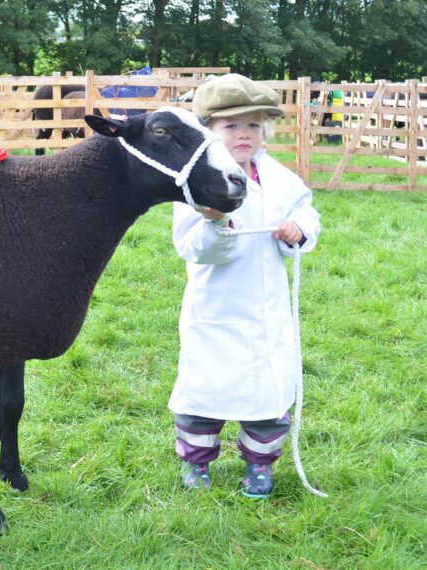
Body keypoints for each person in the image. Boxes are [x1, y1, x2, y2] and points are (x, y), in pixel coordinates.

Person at [169, 73, 321, 498]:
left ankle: (259, 465)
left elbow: (308, 211)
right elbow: (193, 246)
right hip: (215, 311)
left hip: (265, 310)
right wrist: (216, 225)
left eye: (253, 125)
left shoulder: (280, 179)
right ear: (210, 132)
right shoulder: (196, 183)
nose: (243, 134)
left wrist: (299, 228)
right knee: (204, 396)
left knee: (267, 397)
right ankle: (196, 464)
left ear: (264, 131)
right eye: (231, 126)